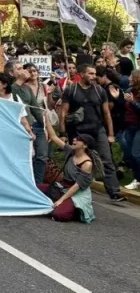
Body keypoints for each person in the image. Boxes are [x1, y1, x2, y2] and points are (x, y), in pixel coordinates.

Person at [58, 64, 126, 202]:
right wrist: (63, 133)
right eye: (90, 73)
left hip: (97, 129)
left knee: (106, 160)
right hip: (78, 131)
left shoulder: (99, 90)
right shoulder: (71, 90)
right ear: (81, 74)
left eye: (94, 74)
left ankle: (114, 191)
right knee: (73, 161)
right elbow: (63, 112)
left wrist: (110, 134)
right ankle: (70, 188)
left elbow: (106, 113)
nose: (93, 76)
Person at [40, 116, 99, 223]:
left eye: (79, 139)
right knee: (35, 189)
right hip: (62, 187)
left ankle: (76, 210)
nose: (75, 139)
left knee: (59, 215)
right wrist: (46, 118)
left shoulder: (87, 164)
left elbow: (76, 186)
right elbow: (53, 137)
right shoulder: (71, 151)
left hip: (75, 192)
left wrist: (60, 201)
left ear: (85, 145)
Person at [11, 63, 49, 183]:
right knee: (28, 157)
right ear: (12, 73)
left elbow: (35, 108)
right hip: (22, 127)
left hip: (36, 125)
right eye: (19, 69)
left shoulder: (26, 88)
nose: (23, 71)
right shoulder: (11, 87)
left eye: (23, 68)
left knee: (42, 156)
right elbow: (14, 99)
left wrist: (44, 127)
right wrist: (20, 80)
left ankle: (38, 185)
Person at [122, 69, 140, 191]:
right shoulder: (128, 91)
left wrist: (132, 101)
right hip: (129, 126)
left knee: (136, 154)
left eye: (131, 77)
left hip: (139, 126)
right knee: (129, 154)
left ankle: (138, 179)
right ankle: (136, 178)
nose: (128, 79)